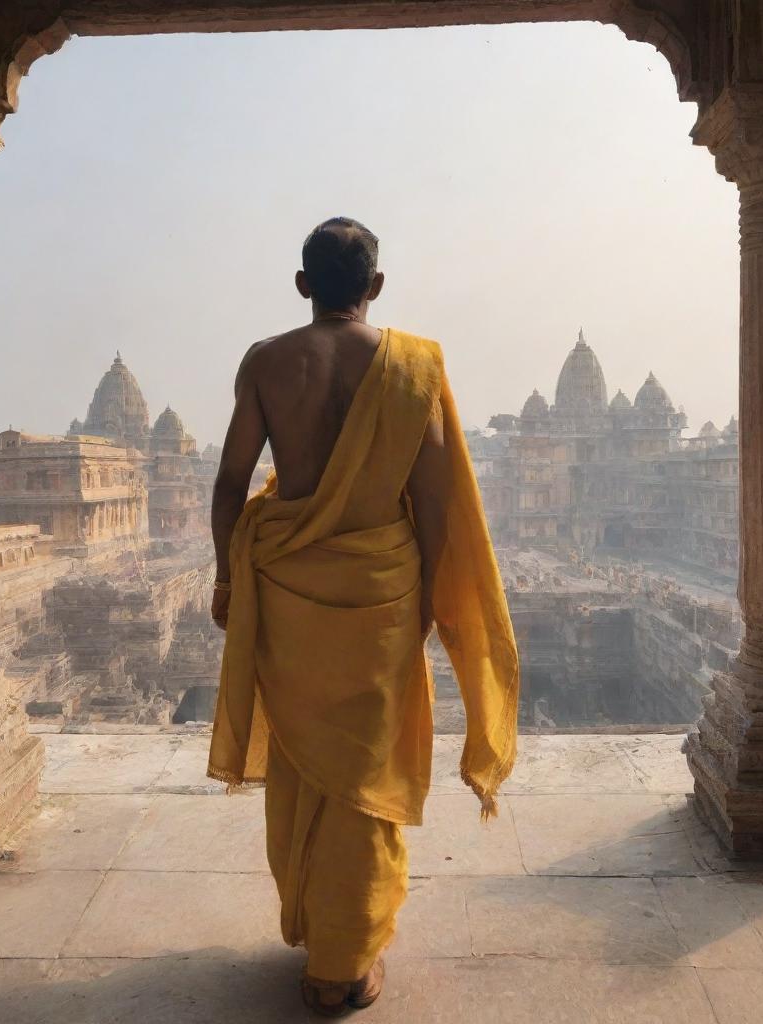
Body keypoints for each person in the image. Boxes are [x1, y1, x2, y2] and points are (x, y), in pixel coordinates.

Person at [208, 217, 519, 1017]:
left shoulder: (267, 362)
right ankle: (344, 961)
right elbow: (437, 498)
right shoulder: (414, 365)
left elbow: (230, 481)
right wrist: (423, 596)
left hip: (286, 585)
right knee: (363, 768)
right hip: (382, 589)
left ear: (304, 285)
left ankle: (326, 939)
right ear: (375, 287)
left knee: (312, 768)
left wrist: (226, 575)